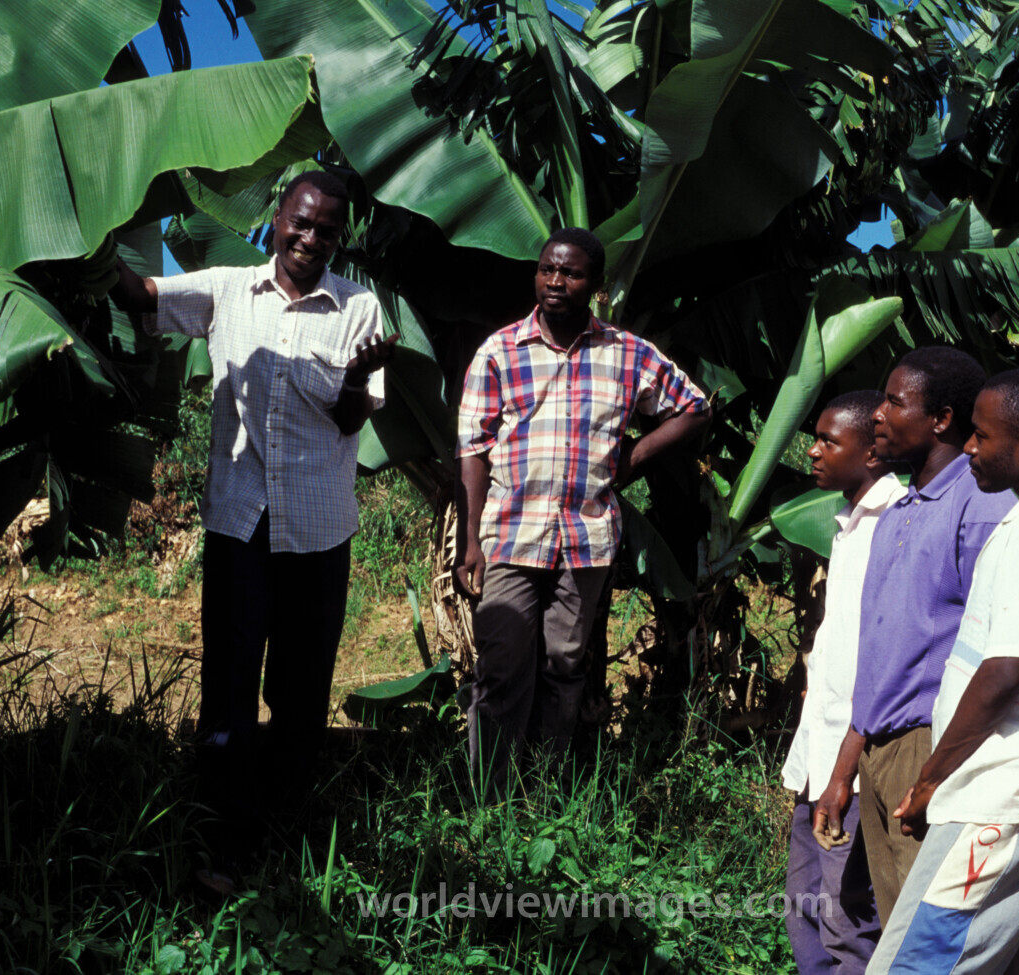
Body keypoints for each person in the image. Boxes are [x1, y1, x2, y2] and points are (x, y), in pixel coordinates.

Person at [110, 170, 397, 818]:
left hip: (319, 530)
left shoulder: (358, 309)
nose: (309, 236)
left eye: (326, 228)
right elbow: (139, 294)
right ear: (278, 212)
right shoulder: (227, 289)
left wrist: (356, 378)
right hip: (240, 522)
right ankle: (222, 824)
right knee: (229, 680)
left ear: (337, 236)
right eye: (301, 220)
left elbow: (353, 420)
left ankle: (284, 822)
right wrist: (92, 234)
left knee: (301, 688)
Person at [453, 227, 710, 795]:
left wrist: (632, 458)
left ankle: (546, 792)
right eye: (547, 269)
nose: (554, 282)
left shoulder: (625, 353)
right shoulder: (499, 351)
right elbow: (472, 448)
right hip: (512, 535)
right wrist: (468, 541)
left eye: (569, 274)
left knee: (566, 666)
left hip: (587, 537)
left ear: (594, 285)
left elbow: (694, 407)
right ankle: (490, 800)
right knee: (501, 665)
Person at [865, 367, 1019, 974]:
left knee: (913, 966)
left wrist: (931, 777)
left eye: (982, 437)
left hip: (999, 796)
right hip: (1003, 792)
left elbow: (1005, 668)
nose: (968, 447)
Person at [813, 346, 1015, 929]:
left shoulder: (978, 507)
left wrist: (938, 770)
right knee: (896, 927)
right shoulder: (898, 514)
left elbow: (998, 649)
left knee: (930, 935)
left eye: (895, 402)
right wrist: (843, 771)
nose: (877, 414)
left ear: (942, 420)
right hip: (879, 750)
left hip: (932, 748)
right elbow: (881, 658)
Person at [783, 390, 904, 974]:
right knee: (804, 907)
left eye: (829, 440)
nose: (813, 452)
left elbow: (883, 667)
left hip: (851, 768)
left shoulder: (895, 524)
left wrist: (842, 772)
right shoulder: (850, 523)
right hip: (822, 757)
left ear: (873, 453)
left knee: (847, 919)